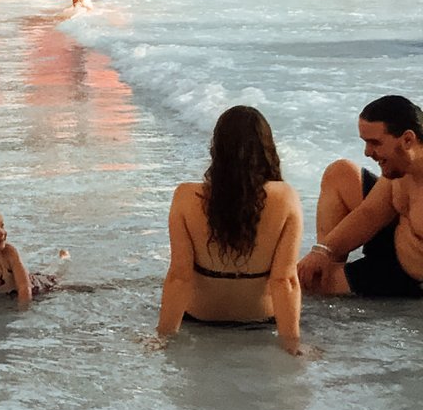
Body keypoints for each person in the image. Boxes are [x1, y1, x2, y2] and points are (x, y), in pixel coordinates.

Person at [157, 106, 302, 351]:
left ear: (216, 148)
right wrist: (293, 344)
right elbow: (284, 280)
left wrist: (162, 337)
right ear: (267, 148)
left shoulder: (186, 196)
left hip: (202, 317)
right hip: (260, 318)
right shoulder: (285, 197)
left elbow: (180, 276)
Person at [297, 94, 423, 300]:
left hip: (404, 275)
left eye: (375, 143)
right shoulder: (398, 169)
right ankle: (326, 265)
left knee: (302, 285)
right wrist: (323, 251)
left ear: (408, 139)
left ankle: (326, 280)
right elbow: (370, 213)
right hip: (396, 234)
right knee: (340, 172)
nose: (367, 152)